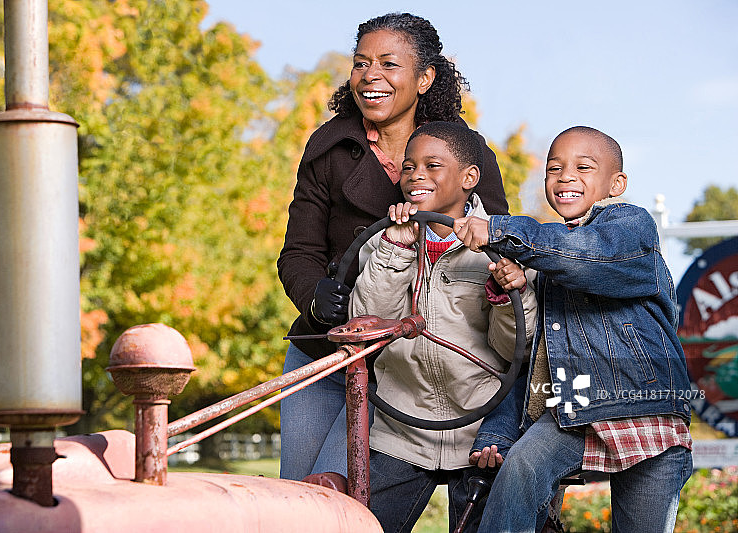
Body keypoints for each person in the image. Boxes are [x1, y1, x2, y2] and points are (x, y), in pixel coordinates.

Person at [277, 12, 509, 490]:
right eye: (361, 63)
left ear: (424, 78)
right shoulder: (329, 147)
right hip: (328, 348)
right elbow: (298, 251)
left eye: (388, 64)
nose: (370, 76)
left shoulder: (465, 151)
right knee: (298, 494)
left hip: (413, 366)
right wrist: (315, 298)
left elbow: (497, 244)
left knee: (340, 491)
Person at [455, 126, 693, 532]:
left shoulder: (630, 226)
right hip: (574, 406)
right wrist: (516, 288)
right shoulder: (547, 258)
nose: (565, 176)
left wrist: (497, 229)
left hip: (644, 406)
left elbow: (586, 256)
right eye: (554, 168)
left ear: (616, 184)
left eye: (583, 167)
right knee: (520, 467)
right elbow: (533, 362)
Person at [349, 121, 537, 532]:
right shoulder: (382, 243)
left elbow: (514, 350)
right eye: (409, 166)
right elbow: (366, 329)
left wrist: (509, 294)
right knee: (362, 523)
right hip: (401, 430)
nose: (416, 175)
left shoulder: (504, 248)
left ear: (469, 178)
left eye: (432, 166)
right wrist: (396, 249)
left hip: (480, 432)